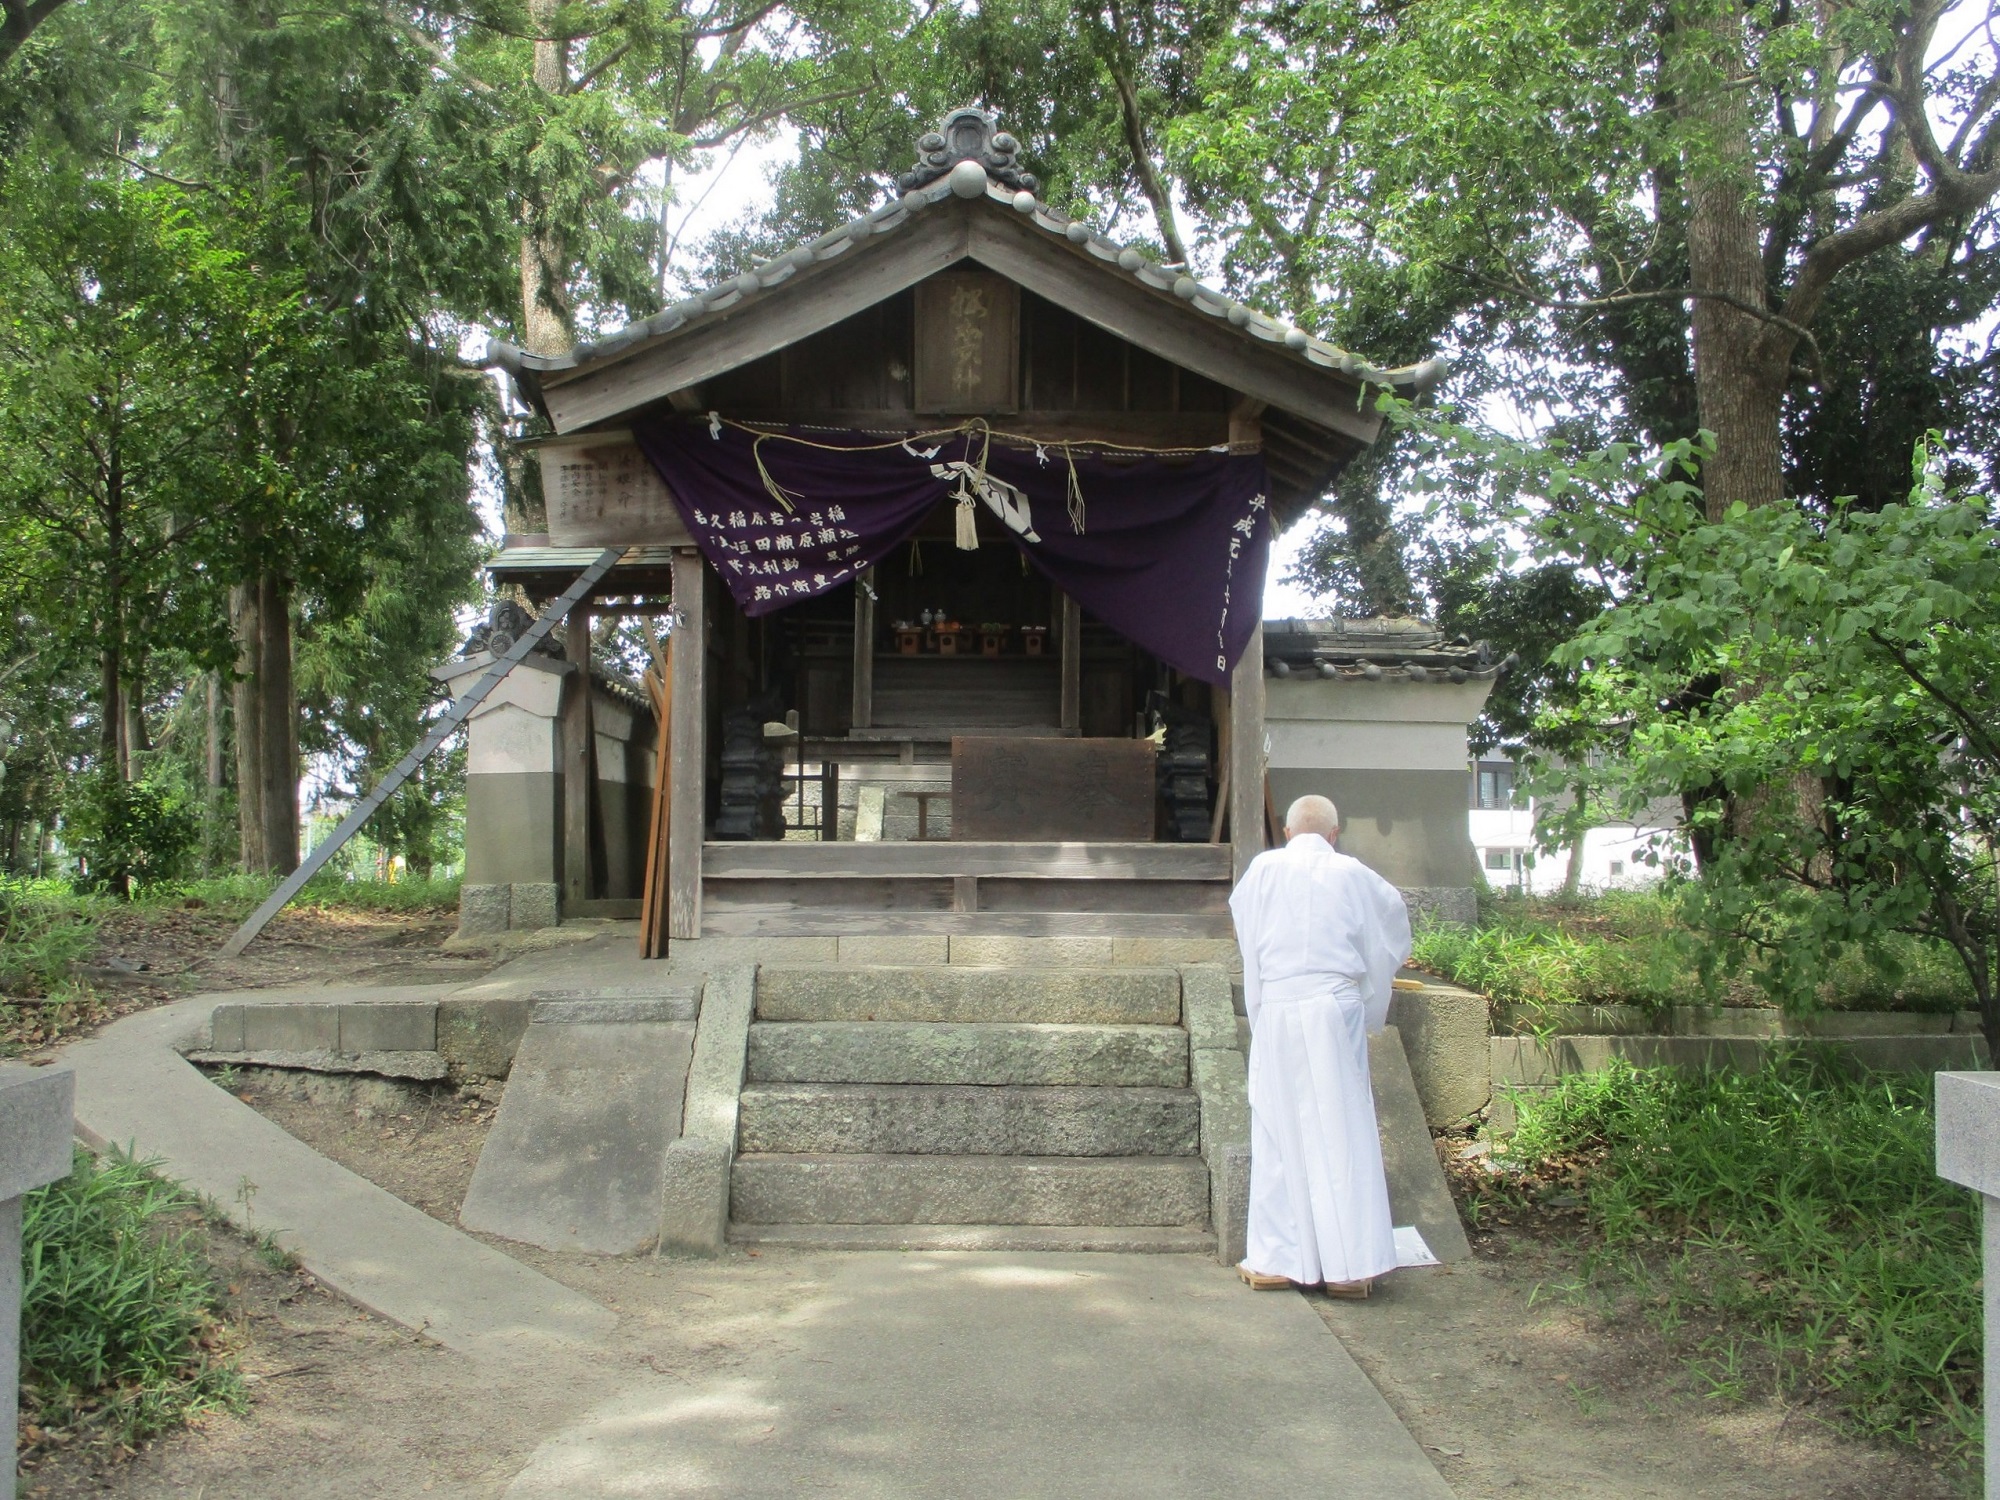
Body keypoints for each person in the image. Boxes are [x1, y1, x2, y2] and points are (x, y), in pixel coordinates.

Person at [1227, 794, 1412, 1297]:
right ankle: (1350, 1267)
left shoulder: (1263, 871)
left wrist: (1261, 1007)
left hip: (1282, 1003)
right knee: (1342, 1124)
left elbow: (1251, 944)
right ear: (1335, 834)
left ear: (1286, 833)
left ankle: (1276, 1259)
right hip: (1336, 1005)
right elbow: (1386, 941)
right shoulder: (1354, 874)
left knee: (1278, 1124)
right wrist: (1367, 1006)